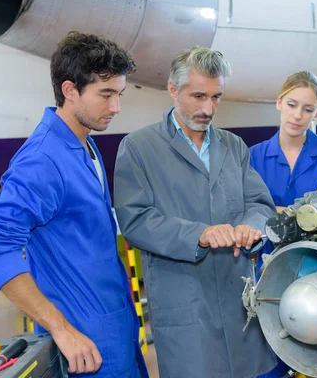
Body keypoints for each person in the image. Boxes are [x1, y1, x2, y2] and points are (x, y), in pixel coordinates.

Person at [0, 32, 148, 378]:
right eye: (106, 94)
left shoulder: (82, 145)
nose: (116, 107)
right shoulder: (43, 160)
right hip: (85, 347)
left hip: (116, 331)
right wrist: (60, 329)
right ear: (70, 91)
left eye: (119, 94)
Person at [114, 46, 277, 378]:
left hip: (239, 302)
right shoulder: (139, 148)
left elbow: (260, 205)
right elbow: (135, 219)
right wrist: (198, 234)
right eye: (198, 96)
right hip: (185, 303)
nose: (208, 108)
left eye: (216, 97)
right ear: (173, 90)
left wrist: (251, 227)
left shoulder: (233, 146)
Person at [249, 71, 317, 378]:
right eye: (292, 105)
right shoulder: (254, 156)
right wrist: (306, 212)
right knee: (268, 353)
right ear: (279, 103)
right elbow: (248, 210)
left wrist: (276, 212)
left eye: (307, 109)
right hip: (267, 267)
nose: (298, 115)